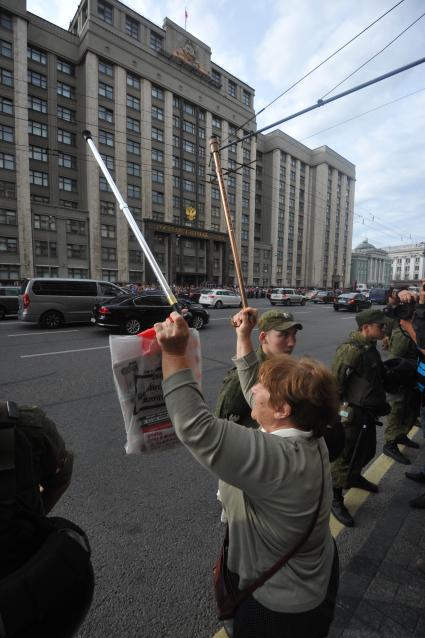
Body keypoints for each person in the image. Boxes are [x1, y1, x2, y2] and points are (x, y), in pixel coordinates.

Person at [155, 309, 339, 638]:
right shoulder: (312, 437)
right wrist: (243, 338)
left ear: (283, 409)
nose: (254, 390)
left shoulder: (277, 459)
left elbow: (196, 427)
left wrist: (173, 353)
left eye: (263, 389)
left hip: (277, 613)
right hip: (314, 589)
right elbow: (252, 383)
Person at [331, 309, 390, 527]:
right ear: (366, 327)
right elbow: (335, 384)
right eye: (380, 325)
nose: (384, 328)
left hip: (367, 411)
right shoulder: (350, 351)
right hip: (351, 413)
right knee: (345, 455)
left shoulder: (370, 347)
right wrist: (339, 415)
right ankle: (335, 497)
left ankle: (354, 477)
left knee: (367, 450)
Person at [215, 310, 302, 428]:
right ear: (263, 338)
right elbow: (223, 424)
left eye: (294, 334)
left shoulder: (287, 368)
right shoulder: (239, 378)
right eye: (284, 335)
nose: (292, 343)